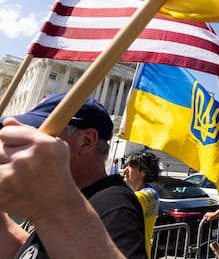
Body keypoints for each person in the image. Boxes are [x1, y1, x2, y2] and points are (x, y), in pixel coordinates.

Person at [0, 93, 146, 259]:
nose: (29, 142)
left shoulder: (114, 204)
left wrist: (49, 208)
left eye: (43, 132)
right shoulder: (75, 199)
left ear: (86, 141)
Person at [123, 151, 160, 259]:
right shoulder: (149, 192)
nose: (125, 170)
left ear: (143, 171)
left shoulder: (145, 195)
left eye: (131, 166)